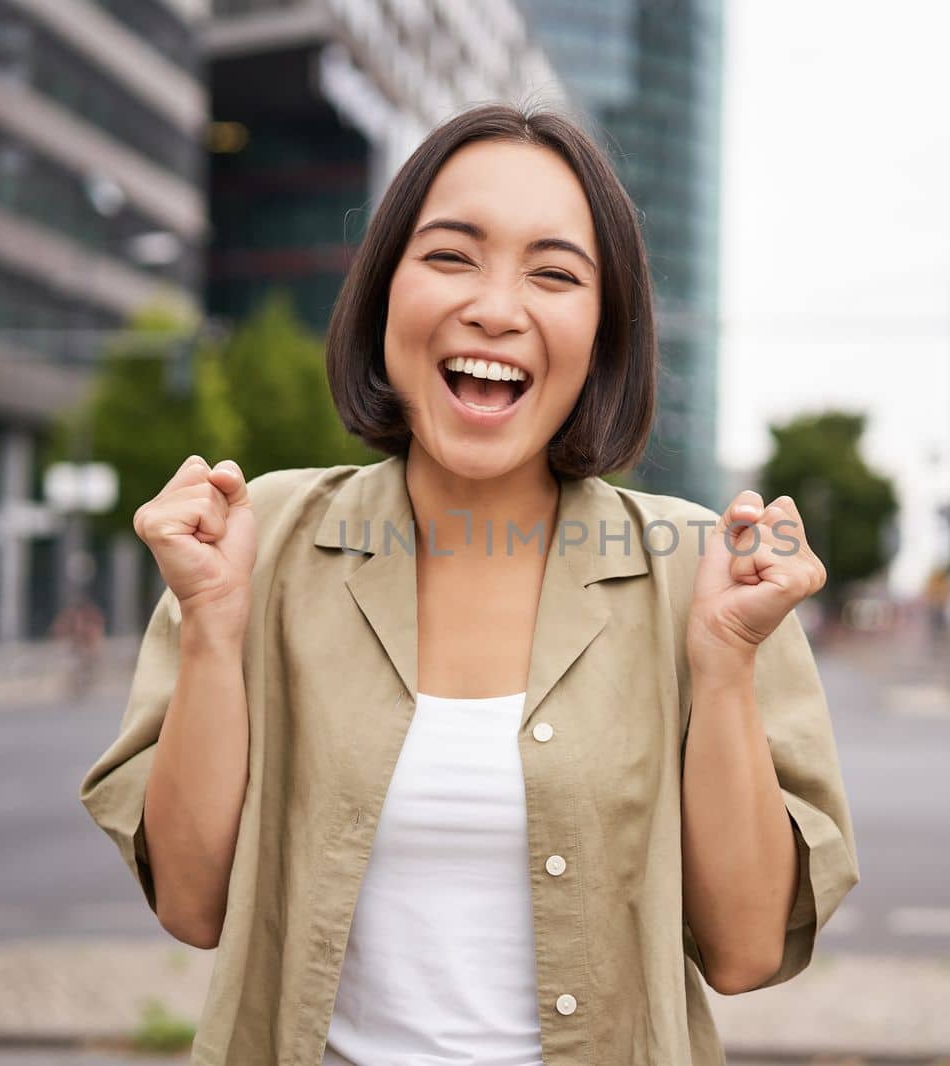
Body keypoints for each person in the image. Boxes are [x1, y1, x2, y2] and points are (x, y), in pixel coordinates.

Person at [79, 102, 858, 1066]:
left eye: (555, 274)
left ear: (603, 333)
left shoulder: (705, 575)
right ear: (383, 293)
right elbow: (194, 905)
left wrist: (728, 661)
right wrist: (209, 625)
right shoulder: (255, 542)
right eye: (451, 256)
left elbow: (743, 952)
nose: (496, 306)